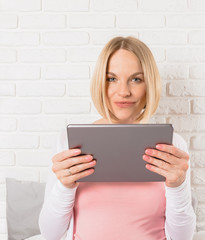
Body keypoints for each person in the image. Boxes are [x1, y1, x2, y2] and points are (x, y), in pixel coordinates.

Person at [39, 36, 196, 240]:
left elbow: (182, 237)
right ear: (100, 83)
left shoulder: (173, 145)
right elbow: (50, 234)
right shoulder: (69, 142)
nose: (124, 92)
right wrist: (65, 186)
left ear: (149, 85)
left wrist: (178, 186)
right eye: (111, 79)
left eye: (136, 79)